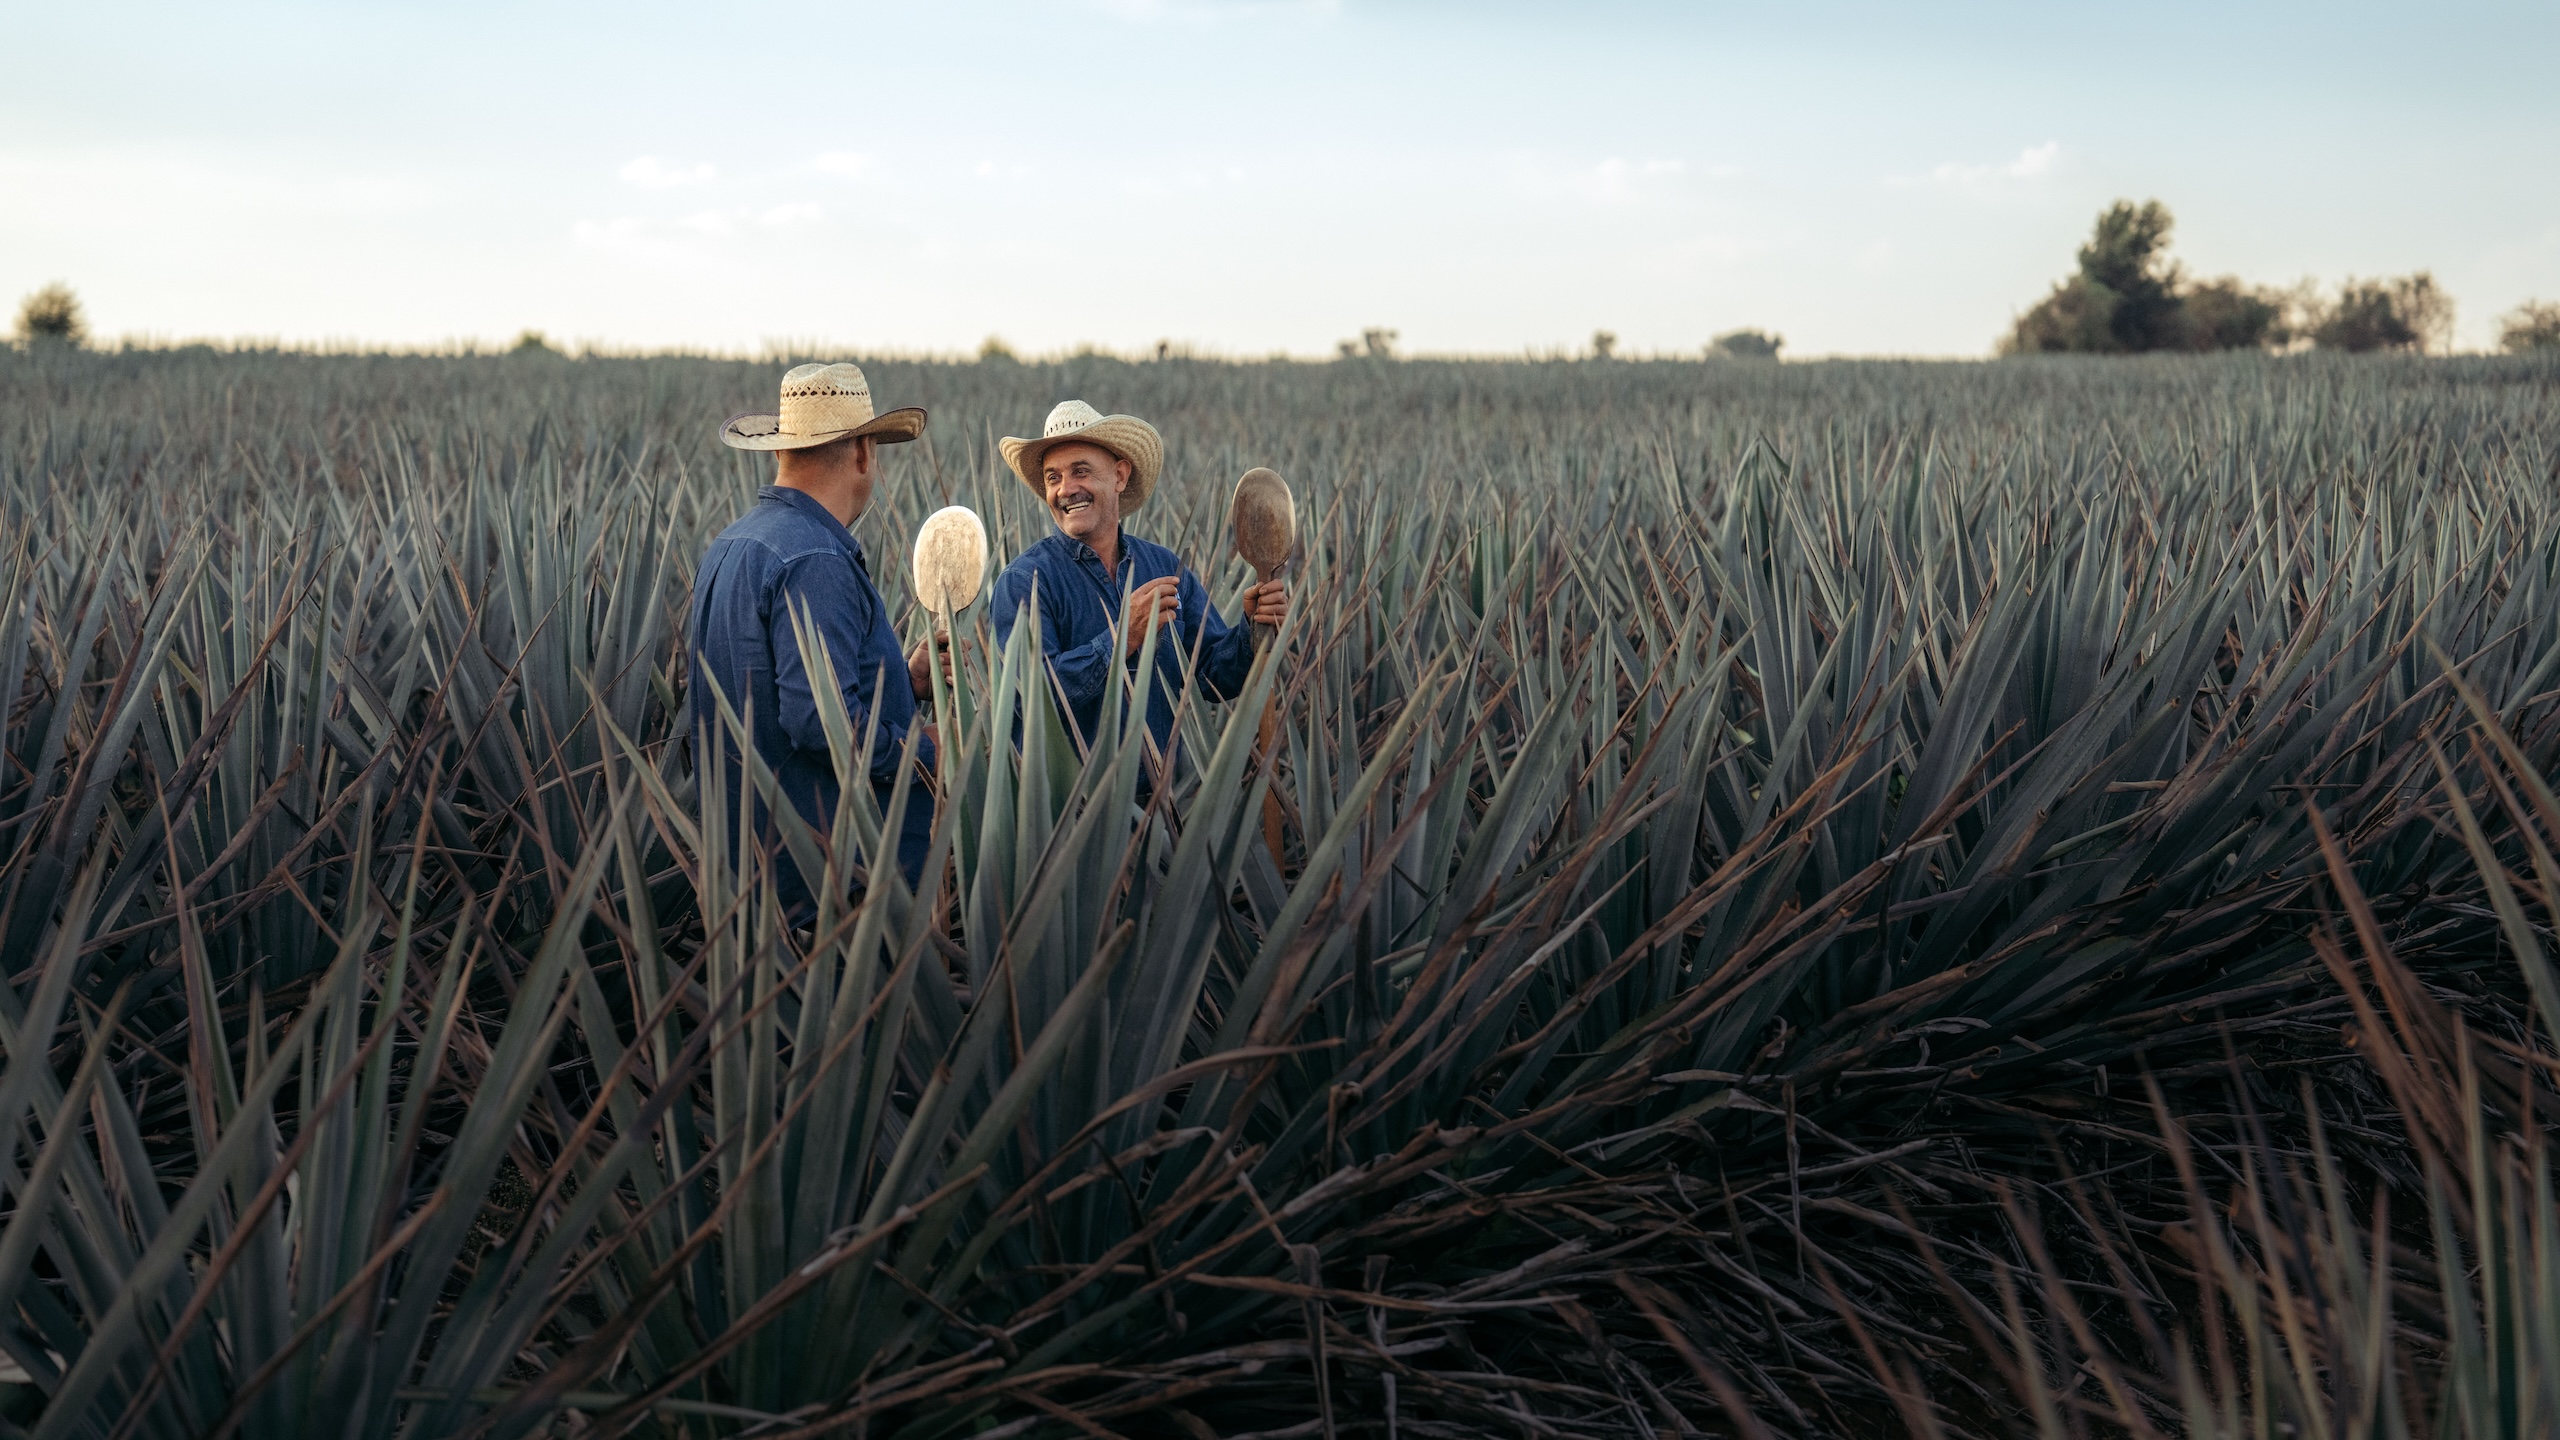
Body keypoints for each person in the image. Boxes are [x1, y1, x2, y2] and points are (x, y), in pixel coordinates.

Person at [689, 362, 941, 906]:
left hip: (746, 883)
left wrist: (905, 681)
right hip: (830, 897)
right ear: (862, 453)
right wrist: (926, 750)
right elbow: (822, 723)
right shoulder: (816, 558)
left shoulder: (731, 545)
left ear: (781, 451)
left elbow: (764, 692)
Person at [989, 400, 1289, 769]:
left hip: (1161, 813)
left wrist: (1252, 628)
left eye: (1080, 472)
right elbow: (1027, 697)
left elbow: (1217, 674)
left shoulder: (1164, 567)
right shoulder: (1024, 582)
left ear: (1119, 476)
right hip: (1066, 818)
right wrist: (1123, 638)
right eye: (1053, 477)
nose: (1066, 489)